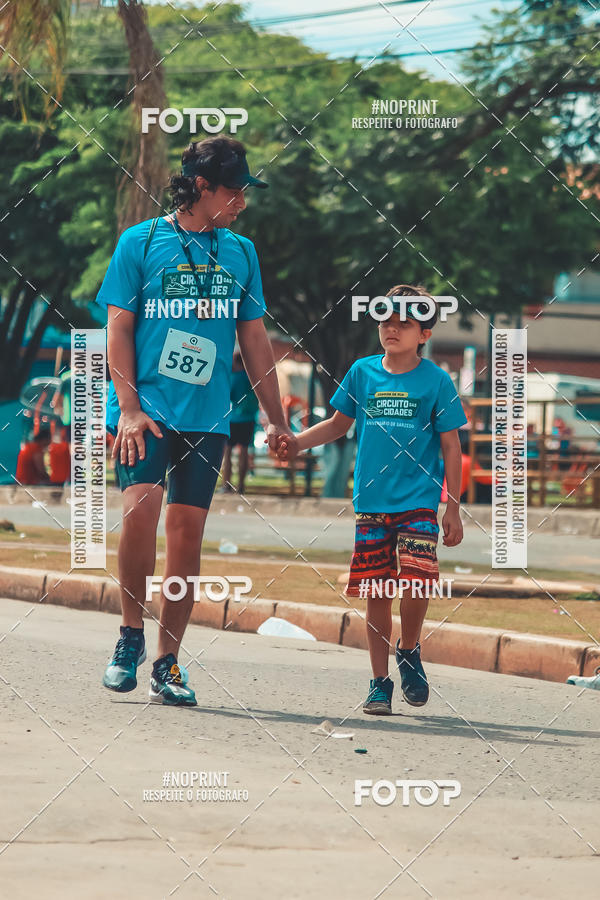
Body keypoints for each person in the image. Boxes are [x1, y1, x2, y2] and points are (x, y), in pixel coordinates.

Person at [96, 136, 296, 706]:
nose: (243, 202)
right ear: (201, 188)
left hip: (208, 420)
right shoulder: (142, 241)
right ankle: (129, 636)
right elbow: (119, 328)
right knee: (140, 514)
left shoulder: (242, 253)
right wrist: (129, 409)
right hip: (147, 413)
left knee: (186, 538)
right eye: (234, 191)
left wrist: (276, 419)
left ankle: (168, 663)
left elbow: (253, 338)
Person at [276, 285, 466, 715]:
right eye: (386, 321)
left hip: (419, 503)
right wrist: (296, 442)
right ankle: (379, 682)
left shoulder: (436, 380)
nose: (393, 328)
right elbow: (337, 426)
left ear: (424, 334)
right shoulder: (362, 372)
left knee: (417, 581)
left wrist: (452, 506)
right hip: (372, 504)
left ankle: (410, 649)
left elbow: (452, 447)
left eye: (405, 323)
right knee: (378, 590)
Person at [221, 351, 259, 493]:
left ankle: (226, 485)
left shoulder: (235, 378)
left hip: (234, 418)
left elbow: (227, 396)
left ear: (237, 363)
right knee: (244, 451)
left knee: (228, 452)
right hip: (249, 418)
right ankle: (241, 486)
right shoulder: (252, 378)